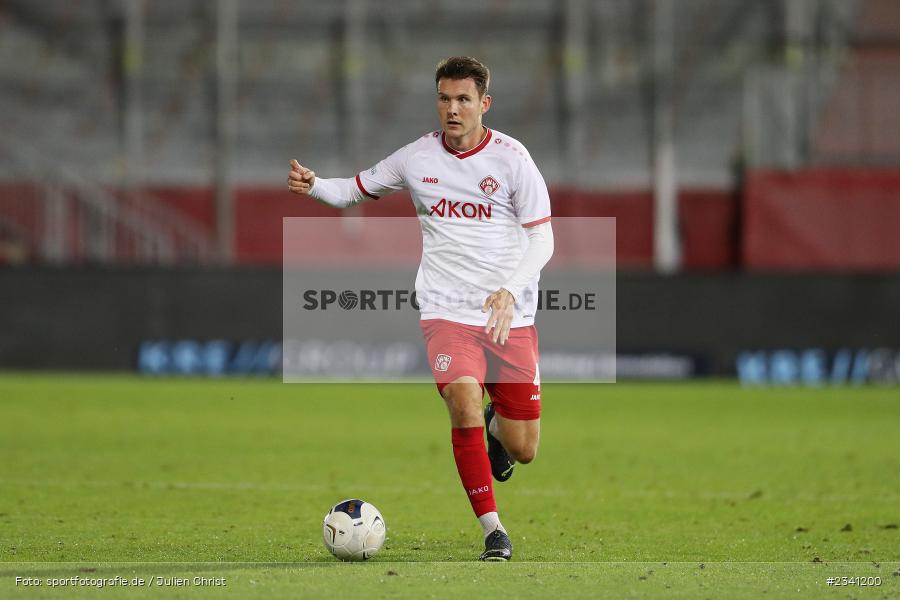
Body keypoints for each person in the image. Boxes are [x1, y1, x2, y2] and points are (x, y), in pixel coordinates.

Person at [287, 56, 553, 561]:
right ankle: (493, 530)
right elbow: (355, 190)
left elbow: (543, 238)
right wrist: (316, 184)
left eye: (463, 100)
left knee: (523, 448)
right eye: (444, 98)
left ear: (484, 104)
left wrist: (511, 288)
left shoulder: (514, 159)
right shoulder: (416, 158)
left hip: (509, 318)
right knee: (463, 401)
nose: (452, 109)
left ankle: (498, 430)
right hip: (446, 311)